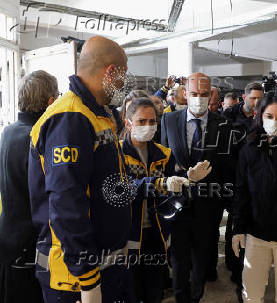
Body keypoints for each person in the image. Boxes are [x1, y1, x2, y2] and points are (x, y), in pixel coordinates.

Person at [28, 36, 164, 303]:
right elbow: (67, 207)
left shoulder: (99, 114)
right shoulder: (70, 118)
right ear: (111, 72)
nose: (124, 84)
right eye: (123, 75)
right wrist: (88, 279)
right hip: (73, 279)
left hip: (104, 264)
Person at [160, 72, 235, 303]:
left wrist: (223, 203)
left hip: (208, 207)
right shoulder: (169, 120)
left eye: (204, 94)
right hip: (178, 205)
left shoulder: (223, 125)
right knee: (179, 260)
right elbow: (163, 162)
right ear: (185, 93)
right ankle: (182, 298)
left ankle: (195, 298)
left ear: (211, 94)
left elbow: (226, 168)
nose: (199, 98)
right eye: (194, 94)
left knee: (201, 262)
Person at [121, 97, 203, 303]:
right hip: (126, 234)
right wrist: (159, 184)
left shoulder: (164, 154)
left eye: (152, 121)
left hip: (156, 234)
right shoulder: (116, 152)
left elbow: (174, 196)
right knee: (129, 291)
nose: (148, 126)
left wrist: (187, 181)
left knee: (154, 290)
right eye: (141, 121)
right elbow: (122, 188)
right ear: (127, 122)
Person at [232, 90, 277, 303]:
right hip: (256, 235)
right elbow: (241, 191)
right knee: (251, 294)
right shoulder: (250, 148)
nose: (275, 122)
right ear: (260, 116)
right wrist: (238, 228)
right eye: (270, 117)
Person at [0, 70, 58, 303]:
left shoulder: (8, 131)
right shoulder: (36, 138)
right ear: (50, 102)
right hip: (29, 242)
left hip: (8, 235)